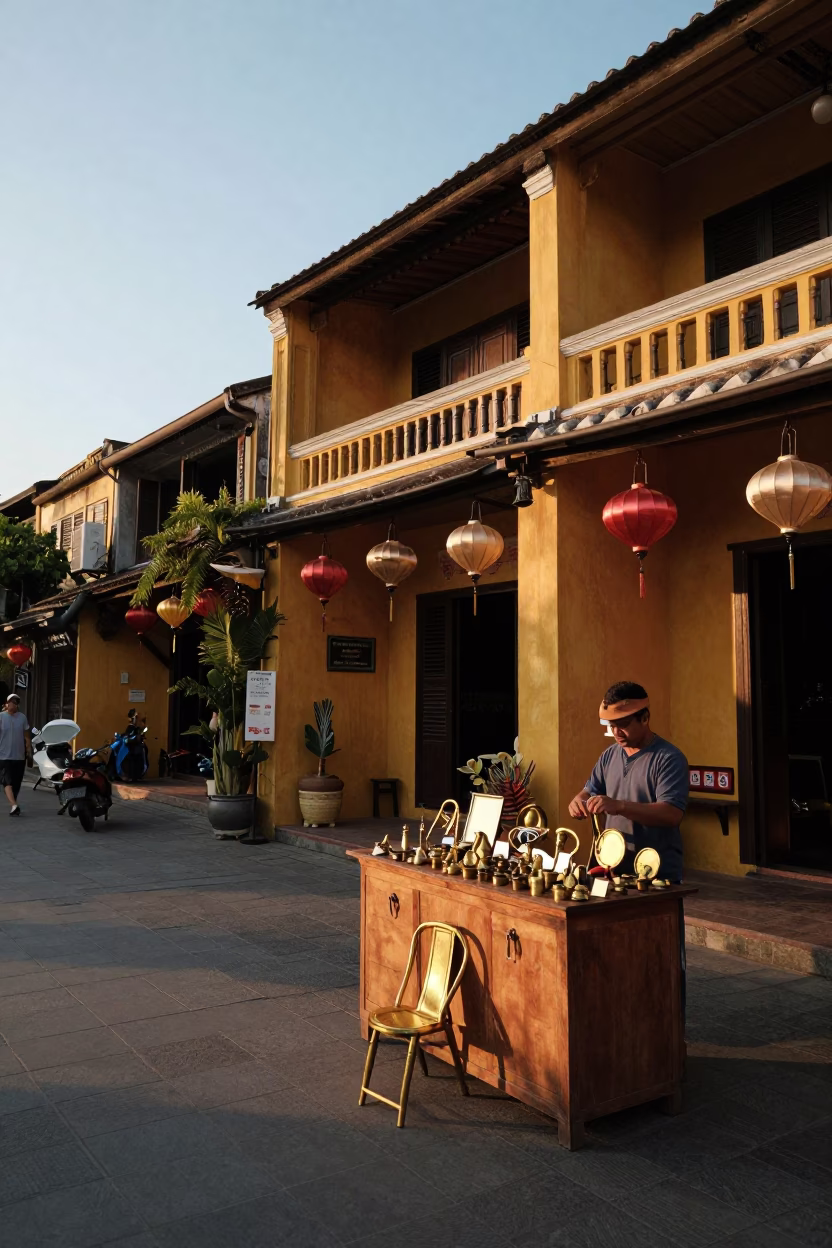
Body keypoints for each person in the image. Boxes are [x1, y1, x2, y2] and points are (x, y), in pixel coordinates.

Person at [568, 680, 688, 881]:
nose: (616, 732)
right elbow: (590, 790)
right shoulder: (609, 755)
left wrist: (620, 806)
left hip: (655, 872)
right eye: (611, 726)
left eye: (623, 725)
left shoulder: (669, 758)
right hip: (613, 868)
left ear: (645, 718)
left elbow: (671, 814)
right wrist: (578, 801)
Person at [0, 693, 33, 817]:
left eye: (16, 702)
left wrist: (29, 750)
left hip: (19, 756)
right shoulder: (1, 717)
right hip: (3, 756)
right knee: (6, 781)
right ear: (7, 703)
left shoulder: (22, 718)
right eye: (12, 702)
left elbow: (26, 736)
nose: (14, 704)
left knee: (16, 783)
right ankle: (14, 805)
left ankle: (14, 804)